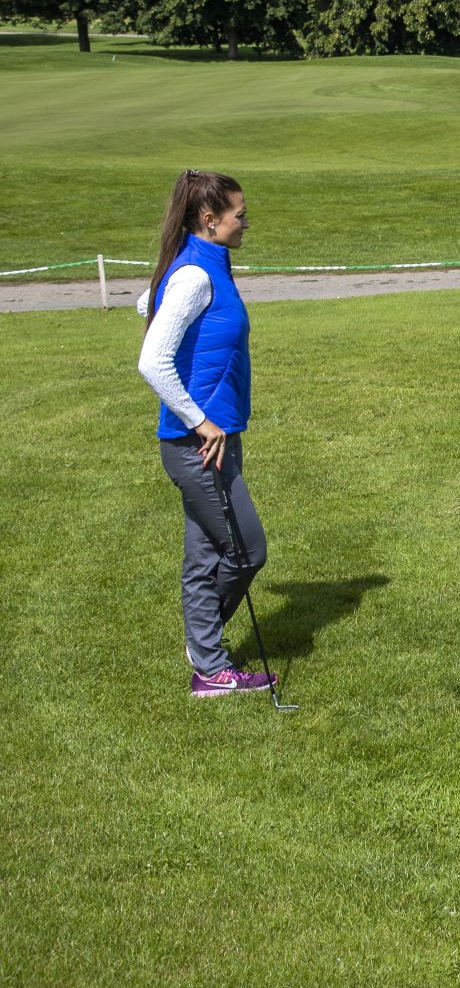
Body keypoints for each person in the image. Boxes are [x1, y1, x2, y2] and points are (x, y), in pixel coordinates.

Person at [137, 170, 275, 697]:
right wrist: (200, 420)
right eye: (239, 214)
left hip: (216, 439)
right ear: (209, 218)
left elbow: (148, 308)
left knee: (204, 557)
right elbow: (152, 359)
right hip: (199, 445)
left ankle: (210, 668)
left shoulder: (205, 267)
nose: (246, 221)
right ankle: (207, 653)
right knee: (245, 550)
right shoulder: (195, 275)